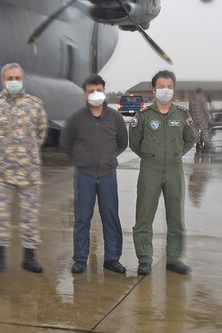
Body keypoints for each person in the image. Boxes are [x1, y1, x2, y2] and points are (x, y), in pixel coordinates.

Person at [0, 62, 48, 274]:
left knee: (30, 215)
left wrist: (26, 152)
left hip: (28, 170)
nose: (14, 82)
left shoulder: (35, 105)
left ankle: (29, 257)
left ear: (22, 79)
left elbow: (41, 133)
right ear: (2, 81)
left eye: (17, 78)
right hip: (1, 171)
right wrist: (0, 152)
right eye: (10, 78)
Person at [129, 70, 197, 275]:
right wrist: (152, 156)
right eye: (161, 87)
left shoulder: (182, 115)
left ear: (174, 90)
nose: (165, 90)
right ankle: (144, 259)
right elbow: (134, 143)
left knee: (176, 215)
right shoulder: (143, 116)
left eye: (169, 86)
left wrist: (176, 154)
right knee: (144, 215)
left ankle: (174, 258)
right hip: (150, 169)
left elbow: (190, 138)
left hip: (175, 169)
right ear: (154, 90)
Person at [59, 74, 128, 274]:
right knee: (82, 217)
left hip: (107, 174)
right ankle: (80, 258)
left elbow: (122, 142)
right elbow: (65, 144)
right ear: (85, 94)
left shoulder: (115, 118)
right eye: (91, 91)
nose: (95, 94)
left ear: (104, 91)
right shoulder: (76, 118)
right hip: (84, 175)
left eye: (99, 90)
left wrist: (107, 157)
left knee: (110, 216)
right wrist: (81, 159)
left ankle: (112, 258)